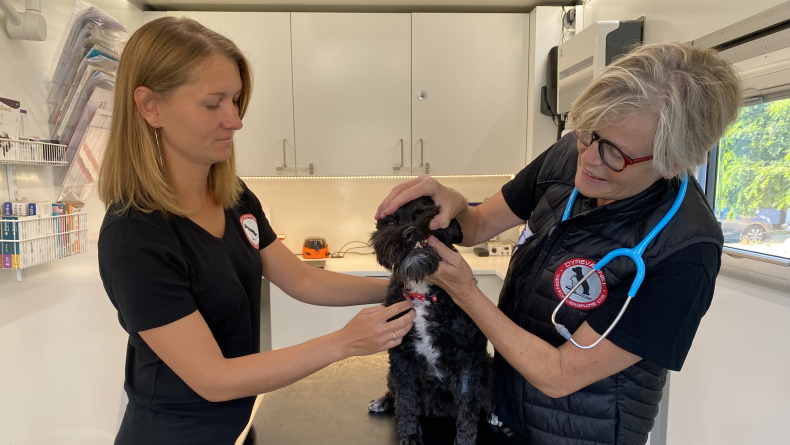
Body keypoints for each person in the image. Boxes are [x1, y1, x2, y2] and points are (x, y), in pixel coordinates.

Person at [375, 42, 741, 445]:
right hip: (503, 414)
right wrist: (456, 202)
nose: (588, 159)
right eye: (587, 132)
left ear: (672, 161)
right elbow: (478, 225)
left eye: (614, 153)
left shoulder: (685, 251)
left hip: (582, 433)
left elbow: (560, 376)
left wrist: (466, 292)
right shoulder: (572, 153)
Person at [97, 17, 415, 444]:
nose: (235, 120)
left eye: (236, 100)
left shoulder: (233, 197)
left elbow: (301, 280)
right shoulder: (134, 236)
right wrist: (344, 342)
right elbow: (213, 378)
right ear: (151, 107)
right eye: (213, 104)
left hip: (238, 426)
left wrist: (403, 287)